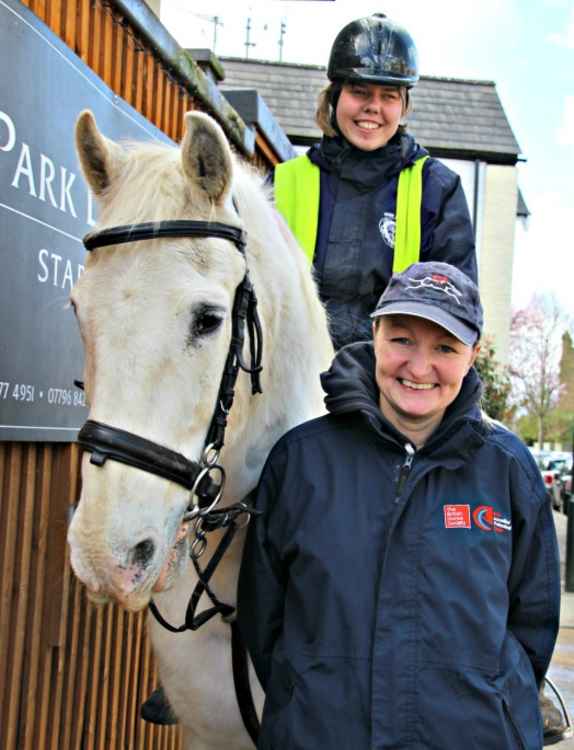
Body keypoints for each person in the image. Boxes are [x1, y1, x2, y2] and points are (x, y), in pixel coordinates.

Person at [238, 261, 560, 749]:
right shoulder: (300, 462)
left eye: (445, 348)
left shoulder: (509, 470)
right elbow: (264, 620)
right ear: (375, 334)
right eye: (402, 339)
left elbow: (533, 624)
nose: (419, 367)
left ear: (472, 355)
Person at [274, 13, 477, 351]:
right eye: (359, 91)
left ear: (404, 106)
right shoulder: (283, 183)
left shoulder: (438, 190)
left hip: (390, 386)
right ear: (335, 96)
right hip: (290, 381)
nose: (373, 107)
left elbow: (455, 314)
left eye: (389, 96)